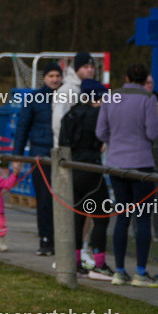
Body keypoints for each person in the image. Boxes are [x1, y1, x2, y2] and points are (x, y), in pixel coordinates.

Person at [96, 63, 158, 287]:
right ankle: (141, 272)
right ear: (145, 79)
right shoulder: (148, 99)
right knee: (143, 218)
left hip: (116, 163)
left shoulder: (110, 97)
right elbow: (152, 133)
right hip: (141, 164)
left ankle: (119, 271)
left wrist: (115, 140)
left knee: (122, 217)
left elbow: (100, 132)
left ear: (126, 77)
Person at [59, 89, 112, 279]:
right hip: (91, 168)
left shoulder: (70, 114)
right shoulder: (98, 114)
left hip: (72, 167)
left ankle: (75, 261)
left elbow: (62, 141)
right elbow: (103, 137)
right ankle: (99, 264)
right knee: (102, 216)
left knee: (77, 215)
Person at [12, 63, 63, 255]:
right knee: (44, 200)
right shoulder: (34, 99)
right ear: (44, 78)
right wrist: (17, 157)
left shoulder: (67, 97)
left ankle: (61, 241)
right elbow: (22, 129)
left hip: (61, 155)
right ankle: (45, 239)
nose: (55, 79)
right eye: (51, 76)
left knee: (61, 200)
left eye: (57, 75)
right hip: (40, 155)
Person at [52, 52, 96, 146]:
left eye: (92, 67)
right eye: (85, 67)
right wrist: (63, 146)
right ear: (77, 69)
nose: (90, 70)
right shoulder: (66, 90)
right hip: (68, 147)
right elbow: (57, 121)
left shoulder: (91, 89)